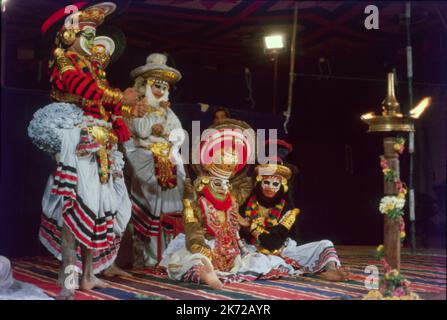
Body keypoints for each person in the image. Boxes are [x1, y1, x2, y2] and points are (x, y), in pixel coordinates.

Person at [28, 2, 145, 299]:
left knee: (100, 210)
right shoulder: (65, 60)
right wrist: (121, 98)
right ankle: (68, 274)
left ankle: (89, 275)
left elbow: (106, 106)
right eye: (87, 36)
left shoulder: (97, 70)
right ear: (71, 36)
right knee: (76, 206)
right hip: (76, 137)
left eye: (94, 37)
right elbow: (81, 88)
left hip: (101, 143)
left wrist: (122, 120)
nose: (92, 43)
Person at [160, 130, 294, 289]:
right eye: (217, 184)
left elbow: (246, 184)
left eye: (226, 184)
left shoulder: (233, 202)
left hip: (232, 250)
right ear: (205, 183)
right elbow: (192, 227)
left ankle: (214, 272)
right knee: (195, 259)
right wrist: (199, 245)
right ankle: (205, 275)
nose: (223, 189)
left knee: (262, 261)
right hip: (206, 244)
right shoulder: (197, 202)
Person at [239, 140, 350, 282]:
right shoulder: (247, 203)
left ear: (283, 186)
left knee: (325, 244)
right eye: (266, 182)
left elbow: (274, 242)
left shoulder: (288, 210)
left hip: (283, 250)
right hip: (252, 251)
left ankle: (331, 270)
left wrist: (249, 226)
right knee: (259, 261)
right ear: (259, 182)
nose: (270, 187)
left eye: (275, 184)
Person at [123, 53, 185, 267]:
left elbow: (179, 133)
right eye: (155, 85)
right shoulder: (137, 108)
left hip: (166, 161)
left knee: (172, 203)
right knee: (148, 204)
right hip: (143, 158)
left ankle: (167, 253)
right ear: (146, 85)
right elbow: (137, 131)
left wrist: (166, 130)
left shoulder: (168, 111)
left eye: (163, 86)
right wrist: (152, 122)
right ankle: (147, 255)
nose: (159, 90)